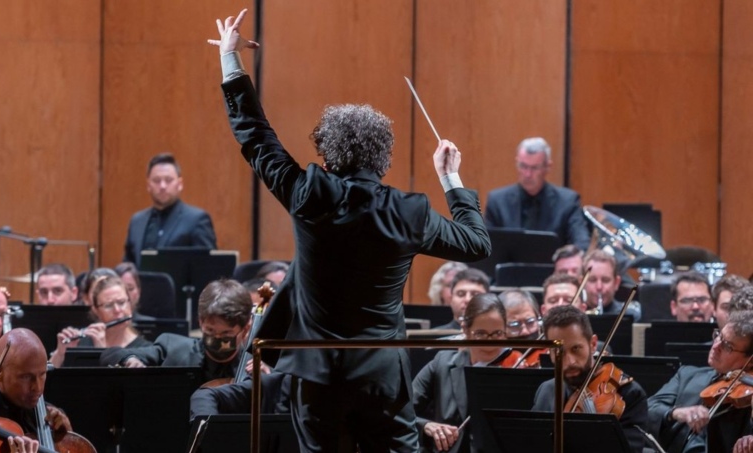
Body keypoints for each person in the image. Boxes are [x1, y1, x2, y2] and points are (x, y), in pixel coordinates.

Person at [210, 10, 491, 452]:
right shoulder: (409, 210)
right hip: (382, 375)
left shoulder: (307, 193)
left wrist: (230, 57)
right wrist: (450, 178)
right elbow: (476, 243)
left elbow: (255, 136)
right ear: (385, 156)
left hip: (317, 375)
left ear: (326, 149)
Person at [531, 305, 648, 452]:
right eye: (559, 352)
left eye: (576, 349)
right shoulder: (546, 391)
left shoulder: (629, 394)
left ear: (592, 344)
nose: (570, 361)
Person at [412, 294, 518, 453]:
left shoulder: (518, 367)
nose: (490, 344)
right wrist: (426, 425)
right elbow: (403, 411)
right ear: (465, 330)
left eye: (497, 334)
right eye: (481, 334)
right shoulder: (442, 363)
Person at [100, 279, 253, 383]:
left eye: (226, 334)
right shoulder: (173, 349)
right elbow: (111, 354)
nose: (217, 338)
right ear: (200, 322)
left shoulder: (256, 365)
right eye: (210, 331)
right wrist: (130, 359)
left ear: (245, 329)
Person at [0, 328, 73, 453]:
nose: (37, 387)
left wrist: (68, 435)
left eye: (42, 374)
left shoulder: (50, 417)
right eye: (26, 377)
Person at [648, 310, 753, 452]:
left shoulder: (748, 396)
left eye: (728, 346)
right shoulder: (687, 375)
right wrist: (676, 413)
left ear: (750, 361)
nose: (716, 347)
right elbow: (648, 409)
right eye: (719, 336)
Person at [484, 137, 590, 251]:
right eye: (523, 166)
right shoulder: (497, 202)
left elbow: (582, 244)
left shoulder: (568, 202)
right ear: (517, 163)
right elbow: (484, 246)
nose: (528, 174)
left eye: (534, 168)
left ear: (547, 167)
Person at [122, 152, 217, 266]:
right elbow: (128, 265)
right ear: (148, 185)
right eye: (156, 180)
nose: (162, 186)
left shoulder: (197, 220)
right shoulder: (137, 221)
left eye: (168, 180)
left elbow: (209, 266)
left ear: (180, 184)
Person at [49, 275, 150, 368]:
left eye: (121, 302)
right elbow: (45, 379)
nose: (117, 310)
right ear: (96, 310)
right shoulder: (82, 343)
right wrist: (60, 353)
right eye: (108, 305)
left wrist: (102, 351)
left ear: (130, 303)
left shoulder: (146, 349)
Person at [583, 250, 641, 321]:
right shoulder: (575, 318)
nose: (599, 287)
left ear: (616, 283)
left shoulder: (631, 316)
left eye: (605, 280)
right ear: (582, 283)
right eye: (592, 280)